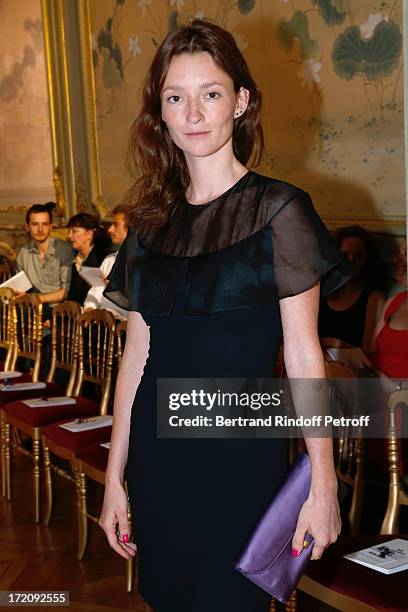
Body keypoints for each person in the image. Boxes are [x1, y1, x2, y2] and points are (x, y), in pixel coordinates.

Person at [99, 21, 351, 612]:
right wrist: (115, 479)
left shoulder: (279, 211)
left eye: (211, 93)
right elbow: (136, 361)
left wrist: (324, 481)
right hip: (160, 462)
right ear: (158, 113)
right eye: (174, 96)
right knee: (166, 597)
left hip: (239, 456)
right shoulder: (149, 224)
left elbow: (304, 355)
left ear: (241, 101)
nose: (193, 112)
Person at [318, 225, 384, 353]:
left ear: (367, 261)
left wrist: (343, 346)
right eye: (344, 255)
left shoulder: (373, 298)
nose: (351, 261)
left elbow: (369, 353)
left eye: (358, 256)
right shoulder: (321, 291)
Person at [16, 202, 74, 319]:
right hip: (32, 308)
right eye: (35, 224)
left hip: (59, 309)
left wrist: (37, 299)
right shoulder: (23, 253)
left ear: (51, 226)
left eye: (45, 224)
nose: (40, 229)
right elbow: (22, 289)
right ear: (27, 227)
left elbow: (64, 293)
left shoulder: (64, 250)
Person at [83, 205, 129, 321]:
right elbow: (97, 289)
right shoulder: (109, 259)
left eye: (116, 224)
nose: (110, 230)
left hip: (124, 324)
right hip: (102, 321)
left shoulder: (144, 263)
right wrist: (90, 308)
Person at [66, 213, 109, 306]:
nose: (69, 236)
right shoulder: (76, 258)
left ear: (89, 234)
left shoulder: (101, 258)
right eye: (69, 231)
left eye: (74, 231)